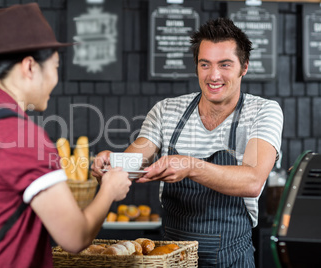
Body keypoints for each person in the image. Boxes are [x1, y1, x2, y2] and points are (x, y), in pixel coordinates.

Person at [0, 3, 131, 268]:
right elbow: (75, 237)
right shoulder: (21, 137)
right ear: (30, 67)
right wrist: (109, 190)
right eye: (56, 66)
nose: (56, 79)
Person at [92, 17, 283, 267]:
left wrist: (191, 166)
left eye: (225, 65)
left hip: (232, 259)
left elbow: (252, 180)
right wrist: (112, 164)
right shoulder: (167, 110)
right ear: (196, 66)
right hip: (170, 258)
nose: (213, 75)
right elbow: (136, 160)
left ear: (244, 67)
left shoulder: (263, 111)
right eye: (205, 64)